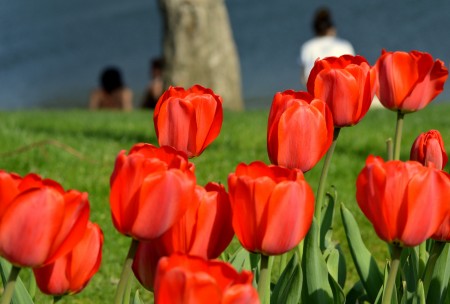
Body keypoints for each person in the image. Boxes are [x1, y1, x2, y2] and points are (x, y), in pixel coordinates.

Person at [299, 7, 355, 85]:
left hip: (316, 89)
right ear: (332, 29)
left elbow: (304, 77)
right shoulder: (345, 45)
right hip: (342, 87)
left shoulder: (307, 47)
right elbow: (353, 71)